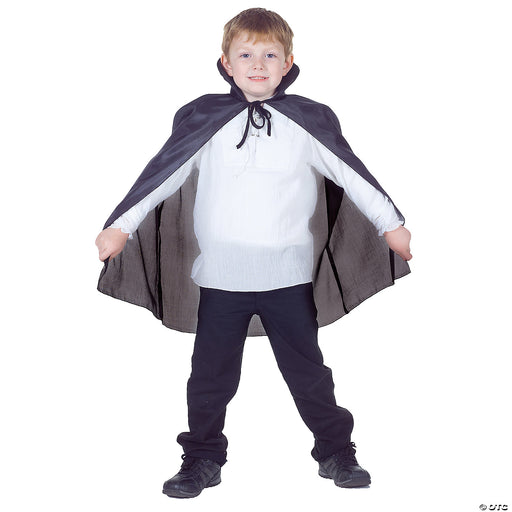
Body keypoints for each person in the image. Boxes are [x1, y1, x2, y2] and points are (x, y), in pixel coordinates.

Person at [95, 7, 412, 499]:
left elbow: (350, 172)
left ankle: (335, 450)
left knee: (308, 374)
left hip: (288, 277)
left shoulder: (307, 122)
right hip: (221, 278)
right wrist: (120, 226)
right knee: (210, 378)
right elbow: (163, 175)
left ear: (289, 63)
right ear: (226, 63)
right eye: (245, 55)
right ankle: (202, 458)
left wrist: (391, 224)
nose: (258, 64)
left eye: (270, 55)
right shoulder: (205, 120)